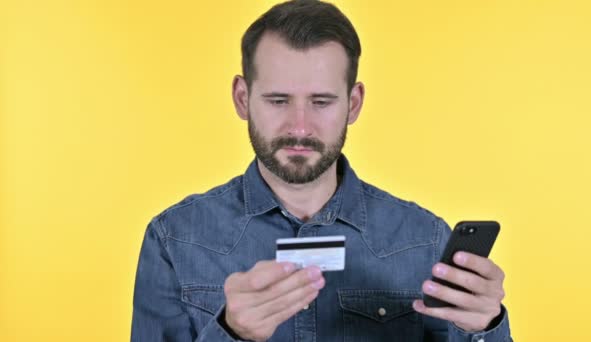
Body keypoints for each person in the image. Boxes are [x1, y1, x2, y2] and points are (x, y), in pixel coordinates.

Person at [130, 0, 512, 341]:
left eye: (322, 101)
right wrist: (232, 334)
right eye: (278, 100)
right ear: (242, 99)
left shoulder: (425, 240)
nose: (299, 127)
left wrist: (485, 329)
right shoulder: (174, 238)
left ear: (354, 103)